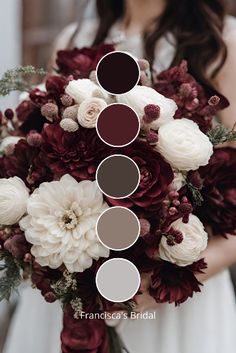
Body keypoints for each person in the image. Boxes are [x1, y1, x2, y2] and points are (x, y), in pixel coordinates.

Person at [3, 1, 236, 353]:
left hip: (171, 298)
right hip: (78, 289)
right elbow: (45, 152)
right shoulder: (73, 41)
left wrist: (165, 281)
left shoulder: (223, 44)